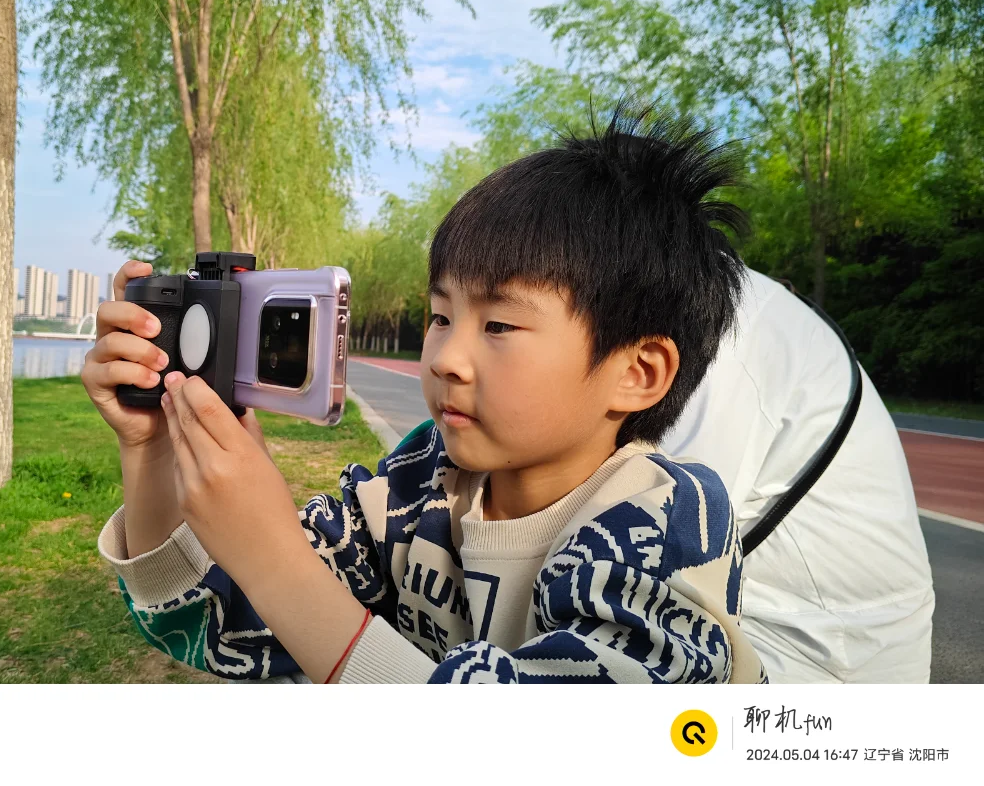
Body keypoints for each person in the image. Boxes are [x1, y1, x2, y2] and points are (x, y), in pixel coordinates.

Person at [83, 106, 769, 683]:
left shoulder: (668, 526)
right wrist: (151, 451)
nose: (446, 357)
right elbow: (211, 625)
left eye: (498, 324)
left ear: (638, 372)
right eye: (441, 317)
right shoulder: (420, 484)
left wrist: (276, 562)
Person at [660, 268, 936, 683]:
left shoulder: (728, 331)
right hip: (795, 629)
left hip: (814, 656)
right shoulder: (719, 301)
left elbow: (652, 538)